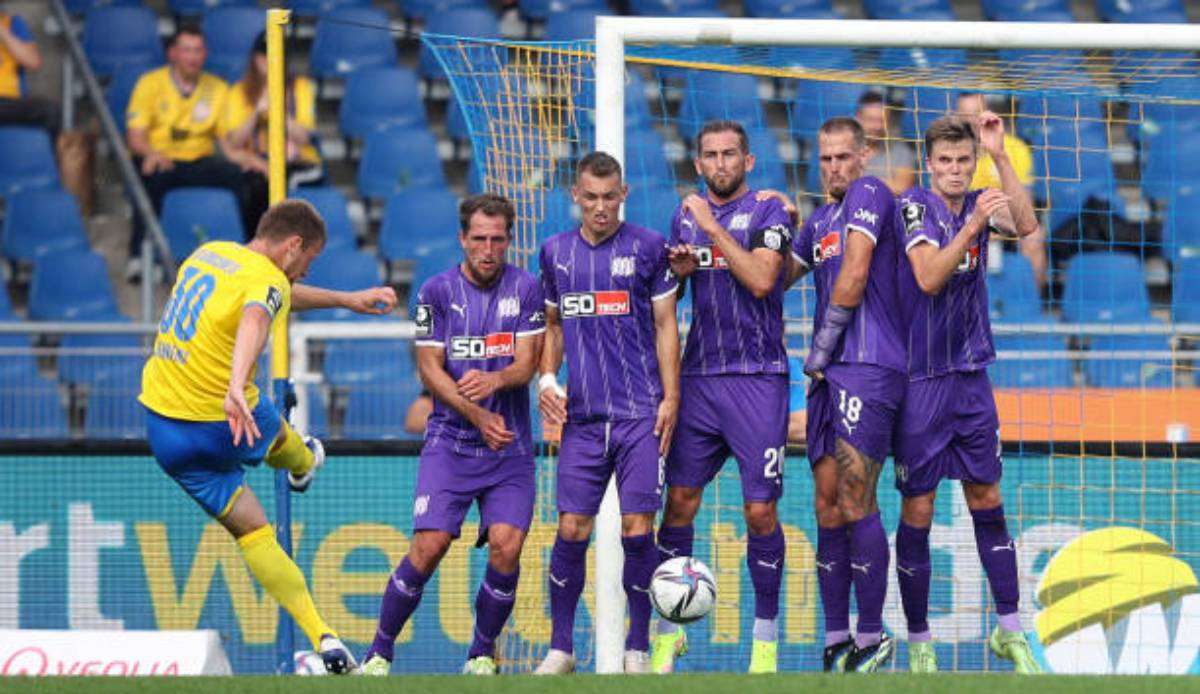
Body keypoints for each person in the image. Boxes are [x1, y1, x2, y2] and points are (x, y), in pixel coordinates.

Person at [139, 199, 398, 674]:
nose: (303, 271)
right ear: (292, 245)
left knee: (253, 530)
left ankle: (325, 637)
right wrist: (236, 383)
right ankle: (304, 462)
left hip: (163, 428)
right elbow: (259, 315)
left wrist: (346, 299)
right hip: (224, 416)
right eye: (308, 261)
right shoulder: (268, 281)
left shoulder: (207, 255)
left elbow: (273, 295)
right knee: (280, 436)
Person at [360, 194, 545, 676]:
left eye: (497, 239)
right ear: (463, 239)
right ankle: (379, 653)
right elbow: (429, 370)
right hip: (451, 442)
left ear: (508, 240)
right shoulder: (436, 292)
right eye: (479, 239)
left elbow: (526, 362)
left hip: (509, 446)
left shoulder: (526, 289)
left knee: (507, 544)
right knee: (430, 545)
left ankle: (481, 655)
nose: (488, 248)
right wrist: (475, 413)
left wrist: (498, 383)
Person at [892, 114, 1042, 674]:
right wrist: (973, 224)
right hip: (921, 380)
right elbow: (929, 276)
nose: (956, 171)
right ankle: (921, 642)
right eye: (946, 162)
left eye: (964, 161)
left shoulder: (982, 194)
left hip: (972, 376)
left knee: (987, 499)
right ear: (930, 164)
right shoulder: (914, 207)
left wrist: (1000, 155)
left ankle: (1009, 631)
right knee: (920, 508)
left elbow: (1025, 225)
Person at [652, 120, 794, 675]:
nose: (719, 163)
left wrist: (710, 227)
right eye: (709, 155)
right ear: (698, 163)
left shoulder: (768, 212)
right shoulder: (680, 216)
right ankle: (669, 633)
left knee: (760, 510)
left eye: (729, 154)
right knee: (679, 503)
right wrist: (680, 275)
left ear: (749, 160)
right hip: (701, 377)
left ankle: (764, 643)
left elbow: (762, 279)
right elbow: (668, 296)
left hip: (758, 377)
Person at [534, 151, 680, 675]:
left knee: (638, 529)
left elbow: (666, 325)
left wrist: (671, 397)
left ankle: (637, 647)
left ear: (624, 195)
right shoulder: (554, 254)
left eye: (609, 197)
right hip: (584, 417)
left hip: (641, 413)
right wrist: (548, 377)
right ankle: (560, 648)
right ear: (575, 196)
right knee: (571, 527)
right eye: (590, 197)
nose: (600, 207)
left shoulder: (648, 248)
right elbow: (552, 327)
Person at [789, 116, 905, 673]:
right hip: (830, 375)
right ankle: (837, 639)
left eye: (843, 156)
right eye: (826, 158)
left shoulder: (871, 192)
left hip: (866, 364)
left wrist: (821, 348)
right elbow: (772, 275)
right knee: (826, 505)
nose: (834, 167)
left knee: (857, 497)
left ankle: (873, 636)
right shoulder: (818, 221)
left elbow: (855, 274)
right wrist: (762, 220)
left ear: (864, 155)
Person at [125, 24, 245, 281]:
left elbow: (227, 145)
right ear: (173, 54)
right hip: (162, 159)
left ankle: (247, 255)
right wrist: (151, 153)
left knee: (244, 179)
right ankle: (139, 256)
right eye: (186, 50)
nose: (192, 56)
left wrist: (252, 161)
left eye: (198, 50)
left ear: (205, 54)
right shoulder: (150, 84)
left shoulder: (218, 88)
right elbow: (135, 138)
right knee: (149, 178)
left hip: (199, 160)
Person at [220, 32, 323, 237]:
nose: (269, 61)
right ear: (255, 59)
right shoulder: (239, 92)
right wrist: (256, 112)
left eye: (275, 55)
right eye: (264, 56)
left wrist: (278, 109)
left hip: (297, 163)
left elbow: (304, 137)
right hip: (258, 163)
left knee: (285, 192)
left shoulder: (301, 87)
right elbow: (234, 142)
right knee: (251, 188)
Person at [957, 92, 1048, 291]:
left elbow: (1025, 204)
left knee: (1033, 236)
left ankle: (1033, 302)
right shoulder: (954, 151)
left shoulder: (1015, 148)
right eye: (965, 115)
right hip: (969, 219)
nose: (971, 120)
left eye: (975, 113)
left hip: (1007, 217)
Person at [0, 6, 59, 137]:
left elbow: (34, 62)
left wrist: (4, 33)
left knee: (49, 111)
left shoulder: (13, 24)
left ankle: (45, 156)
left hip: (10, 103)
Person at [856, 92, 916, 195]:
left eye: (882, 120)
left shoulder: (900, 151)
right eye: (871, 120)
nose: (877, 126)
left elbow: (903, 188)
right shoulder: (846, 149)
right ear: (859, 118)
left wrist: (857, 183)